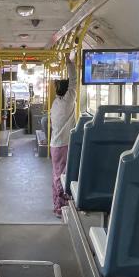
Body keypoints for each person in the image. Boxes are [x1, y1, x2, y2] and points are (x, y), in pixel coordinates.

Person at [50, 55, 77, 219]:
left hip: (55, 145)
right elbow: (73, 81)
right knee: (63, 176)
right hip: (65, 144)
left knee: (56, 174)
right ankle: (62, 207)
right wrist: (69, 63)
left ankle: (57, 205)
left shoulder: (56, 103)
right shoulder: (68, 101)